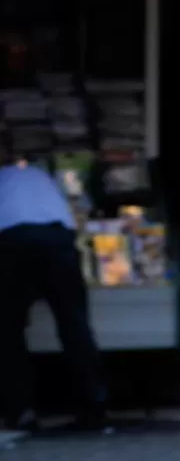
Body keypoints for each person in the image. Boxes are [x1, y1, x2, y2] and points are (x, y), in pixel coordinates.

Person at [0, 146, 107, 432]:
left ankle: (20, 409)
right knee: (74, 324)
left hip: (11, 240)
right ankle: (93, 407)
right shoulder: (38, 175)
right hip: (57, 238)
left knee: (8, 330)